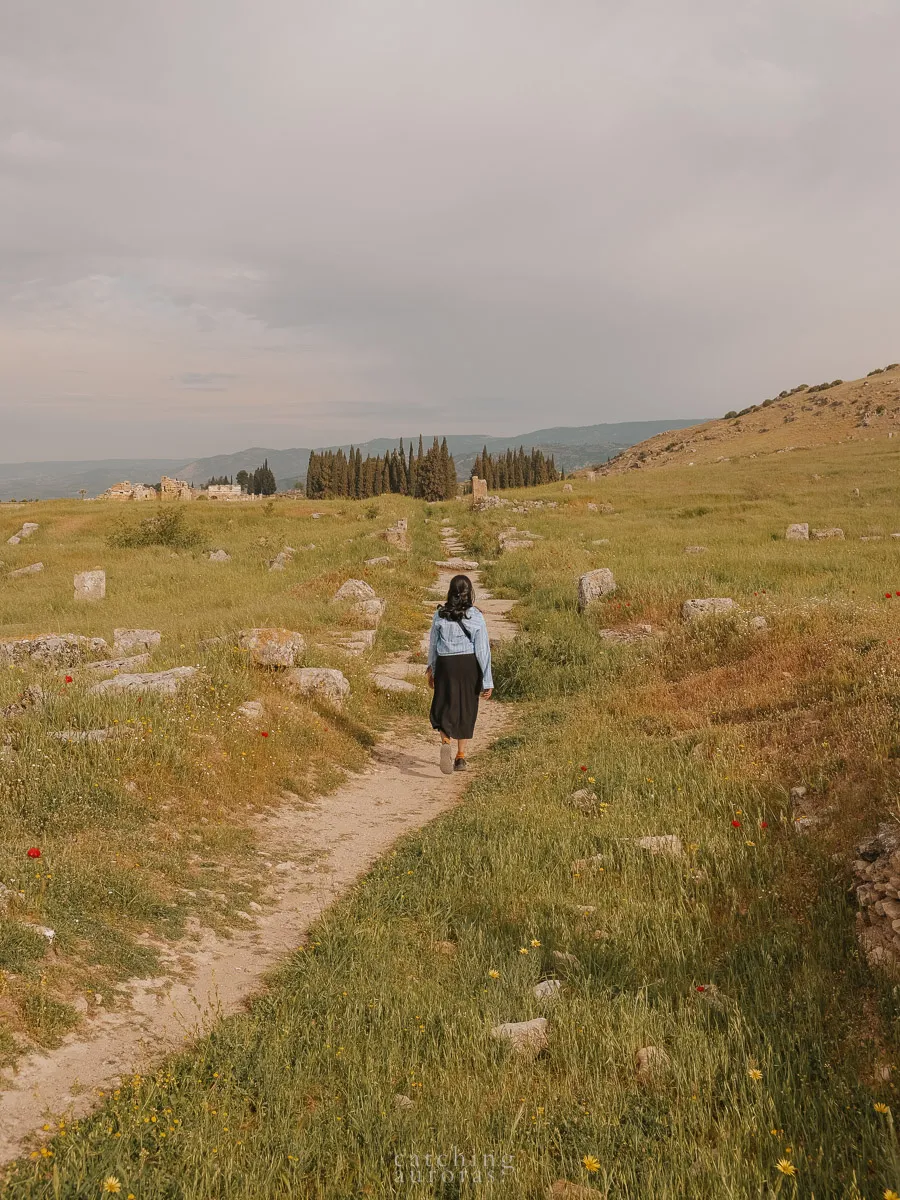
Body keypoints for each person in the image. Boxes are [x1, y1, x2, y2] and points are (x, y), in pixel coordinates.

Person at [426, 573, 493, 774]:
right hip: (468, 664)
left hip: (446, 664)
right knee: (466, 707)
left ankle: (445, 740)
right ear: (469, 593)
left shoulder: (439, 615)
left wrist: (432, 669)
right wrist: (487, 680)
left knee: (446, 703)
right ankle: (461, 756)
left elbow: (433, 646)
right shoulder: (476, 616)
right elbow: (483, 651)